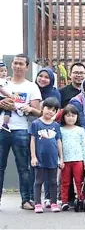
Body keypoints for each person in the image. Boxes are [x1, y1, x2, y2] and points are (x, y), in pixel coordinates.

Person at [0, 54, 42, 210]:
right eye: (15, 63)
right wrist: (2, 104)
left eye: (21, 63)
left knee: (24, 167)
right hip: (1, 130)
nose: (17, 66)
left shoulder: (31, 87)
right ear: (11, 65)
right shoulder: (3, 83)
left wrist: (27, 108)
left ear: (27, 67)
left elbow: (38, 112)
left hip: (21, 131)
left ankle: (26, 199)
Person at [29, 97, 63, 213]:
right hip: (40, 158)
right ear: (43, 108)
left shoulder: (56, 126)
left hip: (53, 159)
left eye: (54, 110)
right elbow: (32, 140)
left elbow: (58, 141)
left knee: (53, 181)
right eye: (48, 108)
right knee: (38, 181)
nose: (50, 111)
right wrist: (33, 157)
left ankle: (53, 202)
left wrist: (61, 158)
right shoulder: (36, 123)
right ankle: (37, 203)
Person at [59, 104, 85, 211]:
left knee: (79, 181)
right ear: (64, 117)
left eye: (73, 115)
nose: (71, 118)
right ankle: (64, 201)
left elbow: (83, 146)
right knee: (65, 182)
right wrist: (59, 160)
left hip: (78, 159)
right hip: (65, 160)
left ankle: (81, 198)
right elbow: (58, 146)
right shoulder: (60, 130)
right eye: (68, 115)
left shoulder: (80, 130)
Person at [0, 62, 14, 131]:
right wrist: (8, 95)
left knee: (8, 111)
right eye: (1, 71)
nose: (4, 73)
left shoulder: (5, 80)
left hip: (5, 98)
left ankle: (5, 124)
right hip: (1, 97)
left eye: (5, 71)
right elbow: (1, 89)